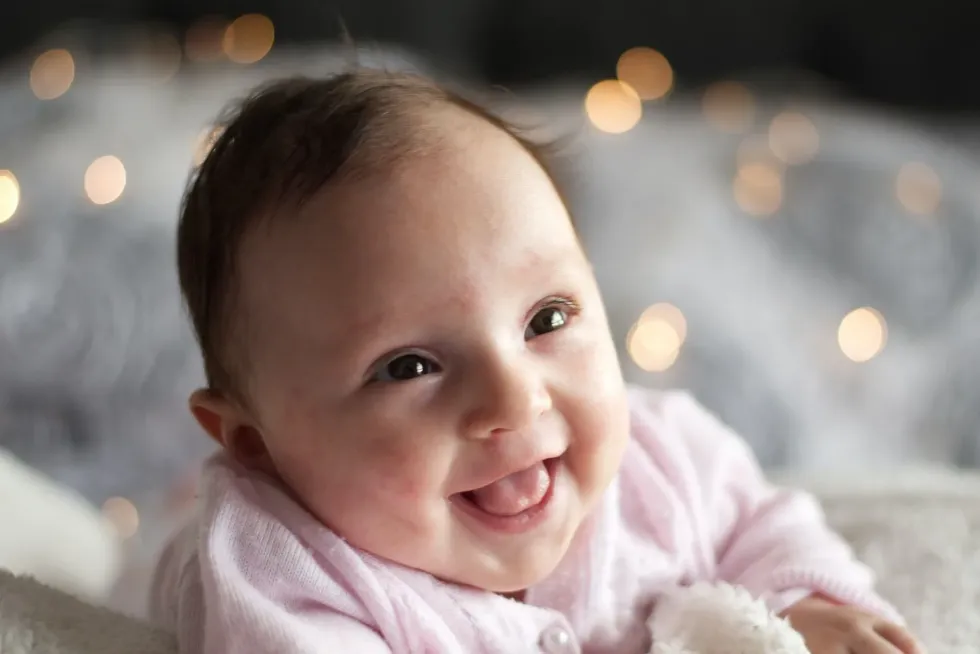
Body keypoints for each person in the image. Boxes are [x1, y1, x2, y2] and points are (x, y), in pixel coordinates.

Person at [149, 69, 922, 654]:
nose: (516, 401)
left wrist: (799, 606)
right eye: (409, 366)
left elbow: (761, 523)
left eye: (547, 319)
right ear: (255, 443)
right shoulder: (276, 569)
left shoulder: (662, 458)